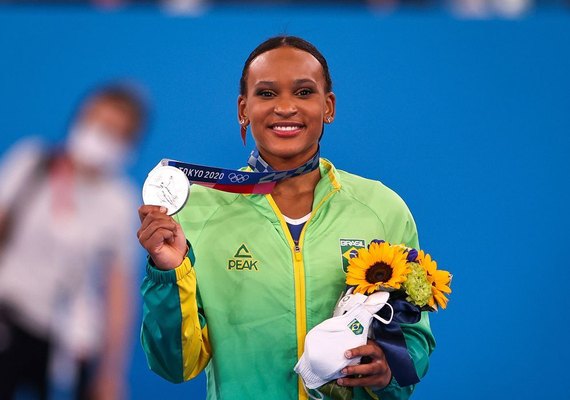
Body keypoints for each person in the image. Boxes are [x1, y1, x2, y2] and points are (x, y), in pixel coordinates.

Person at [138, 36, 435, 400]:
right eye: (266, 94)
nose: (285, 108)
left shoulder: (382, 209)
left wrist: (389, 368)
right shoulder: (198, 213)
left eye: (304, 92)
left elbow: (413, 342)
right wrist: (167, 274)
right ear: (242, 109)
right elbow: (175, 366)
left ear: (329, 107)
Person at [0, 83, 148, 400]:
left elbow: (118, 292)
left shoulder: (120, 201)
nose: (97, 134)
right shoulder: (32, 162)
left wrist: (111, 373)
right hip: (9, 321)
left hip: (71, 340)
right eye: (93, 121)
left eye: (111, 130)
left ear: (128, 144)